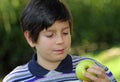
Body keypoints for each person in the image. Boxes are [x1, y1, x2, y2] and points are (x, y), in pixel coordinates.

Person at [3, 0, 117, 82]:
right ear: (30, 38)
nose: (60, 41)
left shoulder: (94, 70)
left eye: (65, 33)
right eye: (50, 35)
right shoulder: (15, 79)